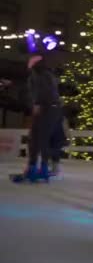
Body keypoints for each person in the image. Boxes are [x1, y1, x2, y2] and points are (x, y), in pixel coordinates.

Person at [11, 55, 63, 183]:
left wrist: (37, 103)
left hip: (46, 108)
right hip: (51, 108)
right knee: (40, 138)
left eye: (32, 59)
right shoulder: (45, 73)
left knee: (37, 138)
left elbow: (44, 90)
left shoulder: (40, 73)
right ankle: (40, 168)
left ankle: (36, 168)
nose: (29, 61)